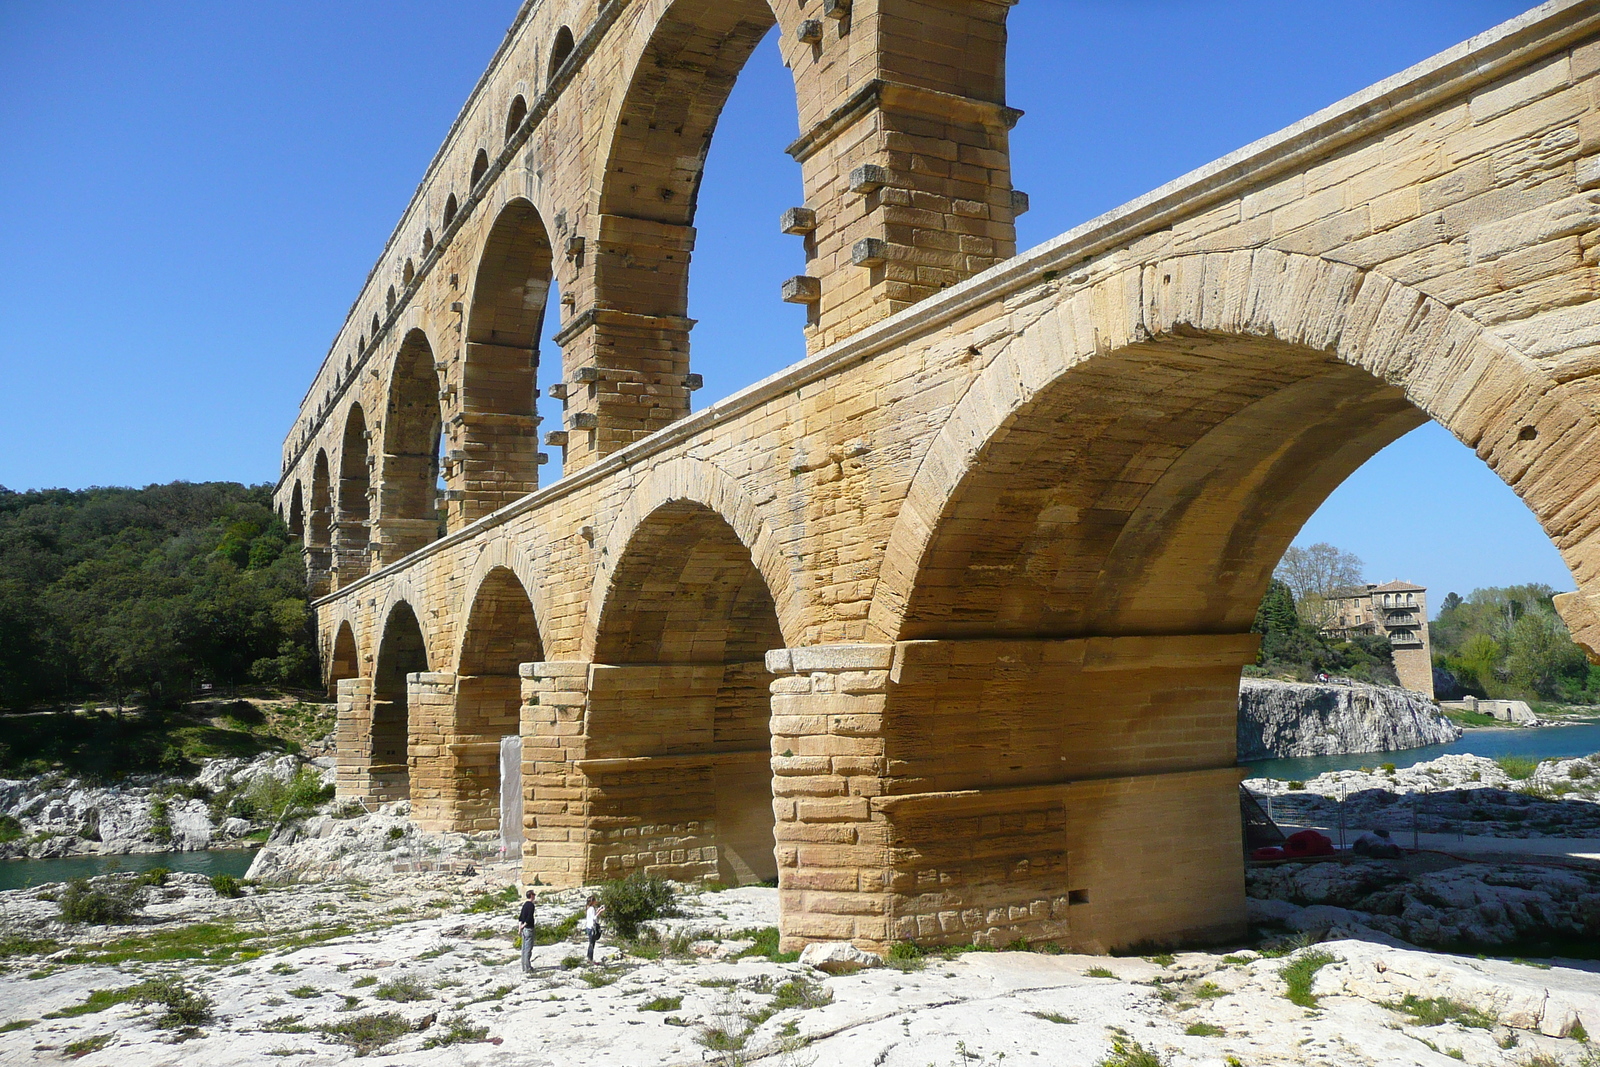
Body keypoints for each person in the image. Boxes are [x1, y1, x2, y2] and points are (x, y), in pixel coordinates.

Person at [517, 889, 538, 973]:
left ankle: (524, 967)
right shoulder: (531, 905)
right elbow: (529, 918)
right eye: (534, 895)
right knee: (528, 948)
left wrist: (520, 928)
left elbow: (521, 917)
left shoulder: (525, 904)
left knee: (524, 948)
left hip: (524, 930)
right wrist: (524, 924)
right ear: (531, 896)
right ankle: (528, 968)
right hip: (529, 928)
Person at [583, 894, 605, 963]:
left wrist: (598, 910)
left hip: (588, 927)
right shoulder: (591, 908)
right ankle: (590, 959)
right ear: (593, 902)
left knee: (591, 942)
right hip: (592, 927)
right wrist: (600, 912)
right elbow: (594, 918)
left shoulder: (589, 908)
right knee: (592, 944)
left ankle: (589, 957)